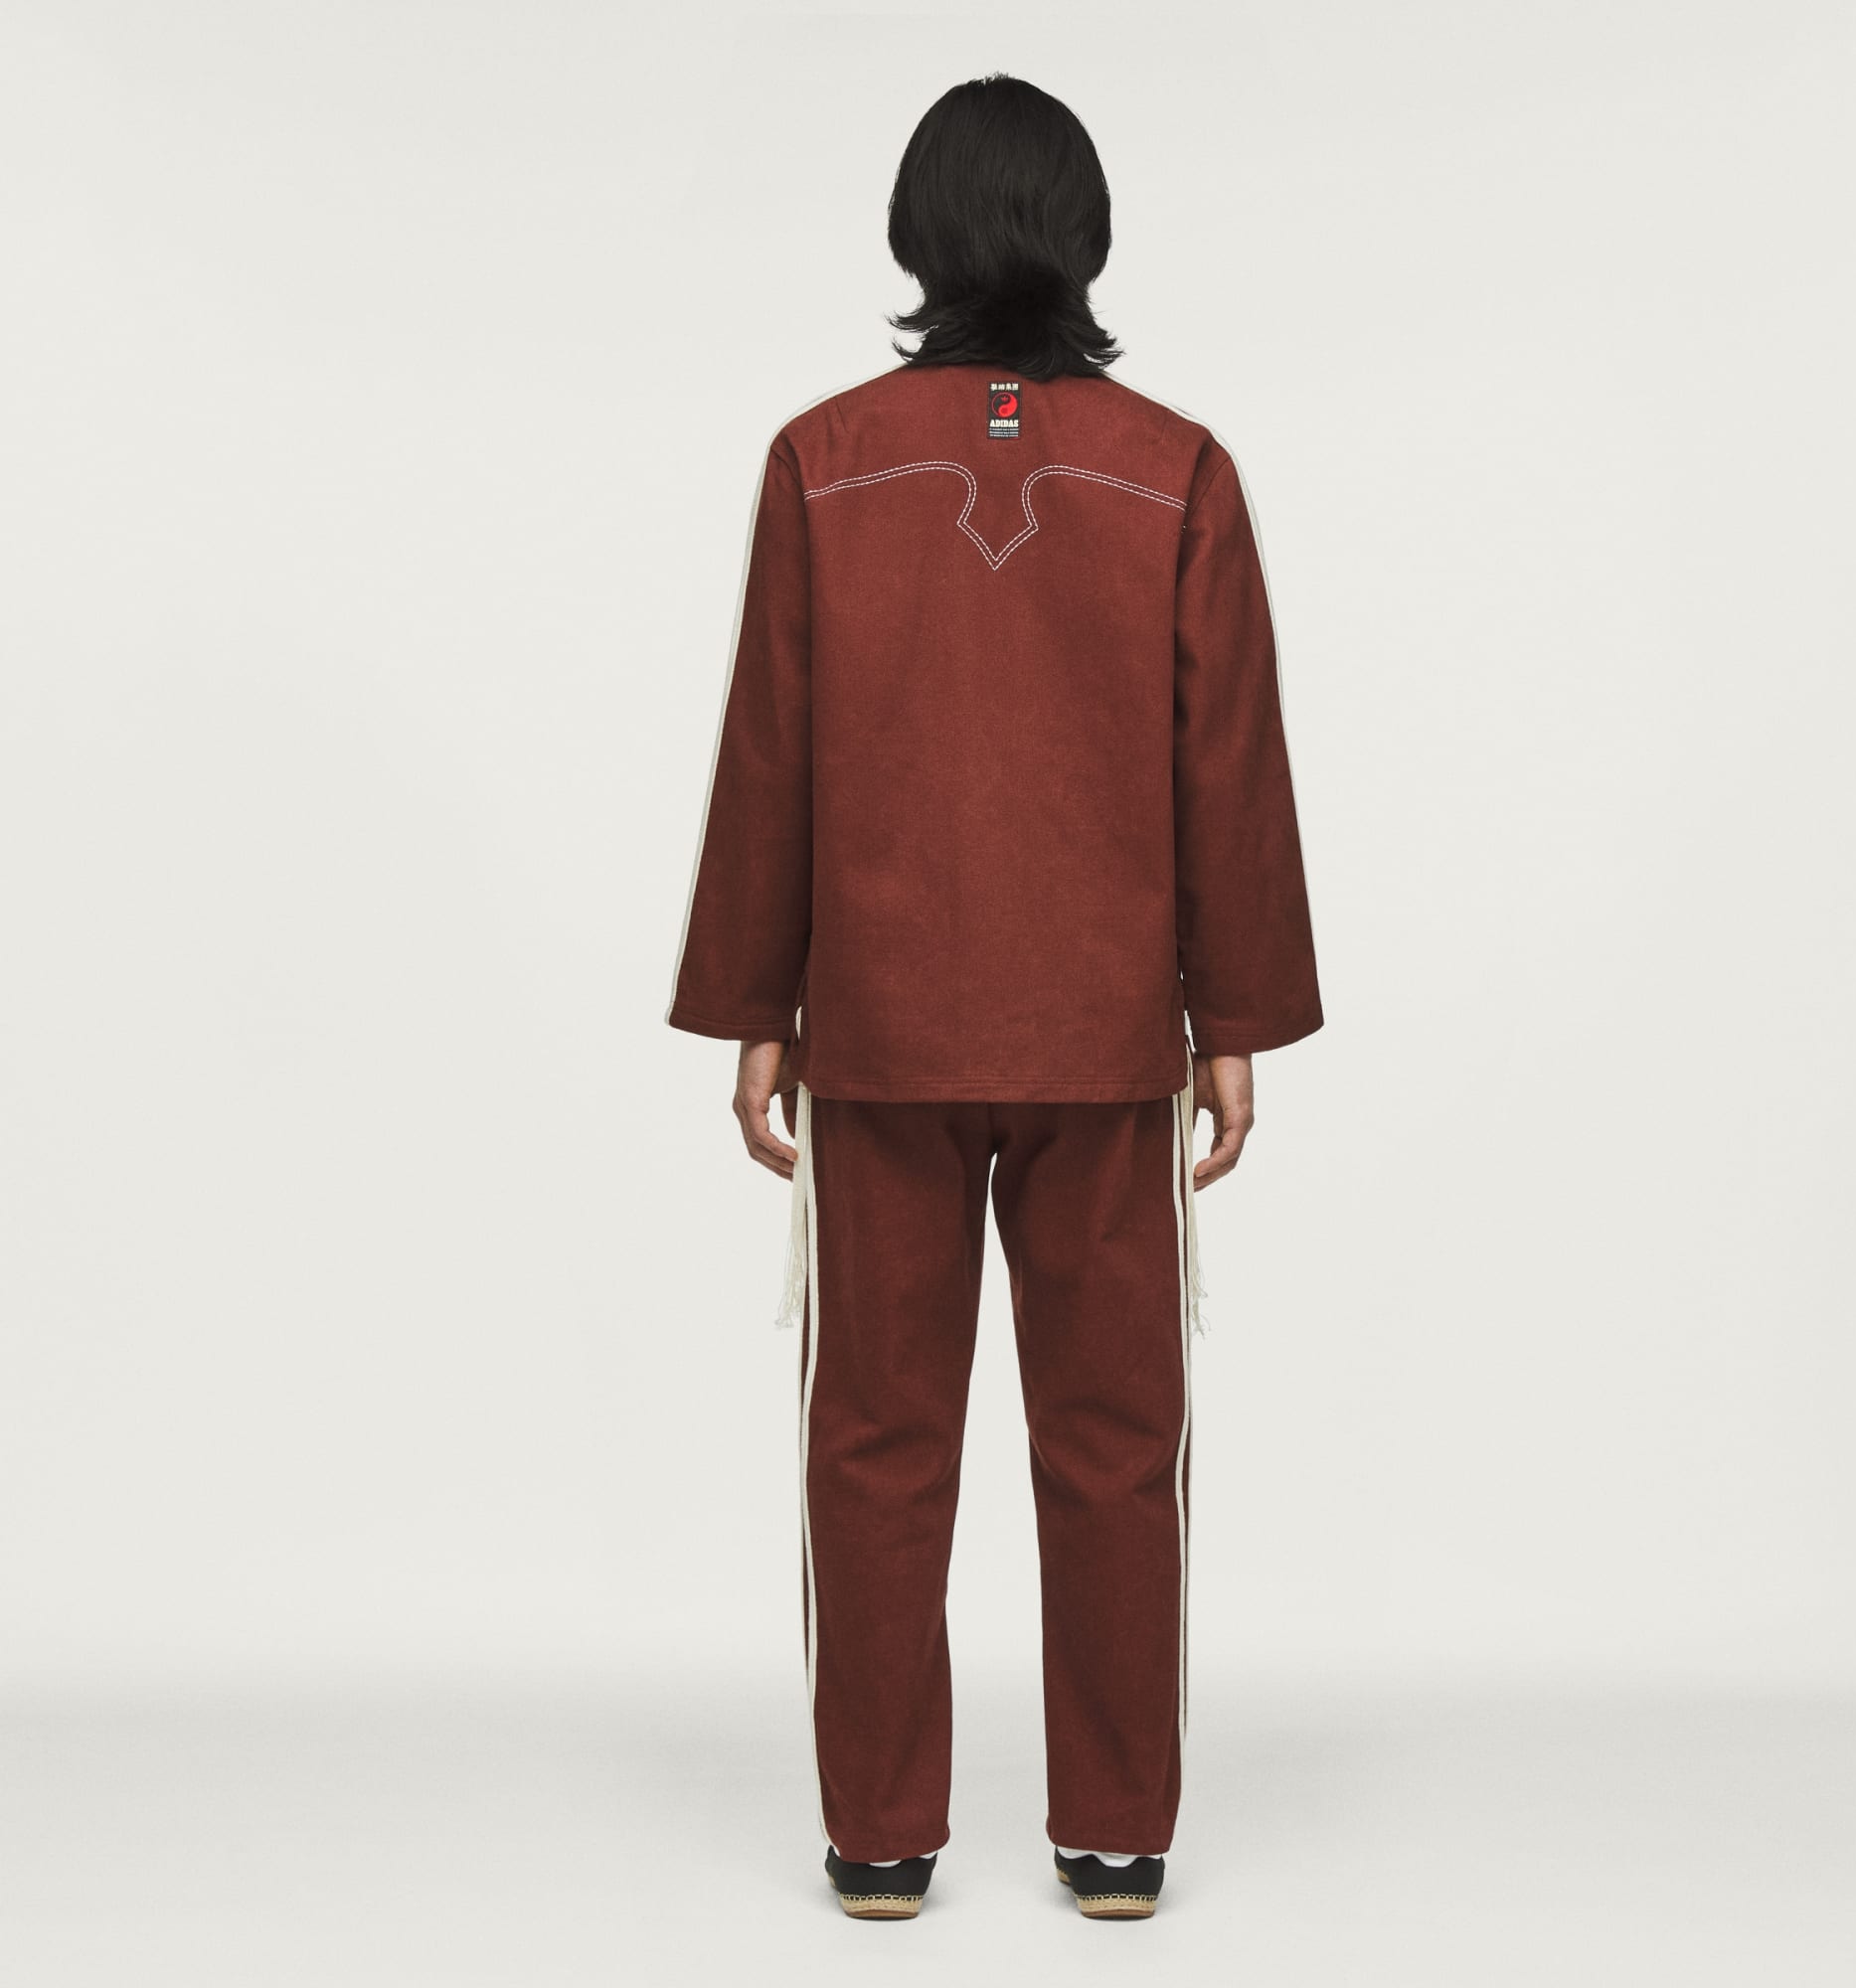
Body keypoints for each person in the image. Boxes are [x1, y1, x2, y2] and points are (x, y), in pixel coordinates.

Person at [668, 73, 1321, 1921]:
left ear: (916, 235)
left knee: (874, 1444)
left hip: (880, 1030)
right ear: (1085, 236)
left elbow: (770, 744)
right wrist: (1233, 1022)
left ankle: (881, 1841)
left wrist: (757, 1000)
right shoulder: (1177, 470)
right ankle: (1115, 1839)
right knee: (1115, 1448)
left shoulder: (821, 459)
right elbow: (1229, 761)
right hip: (1106, 1039)